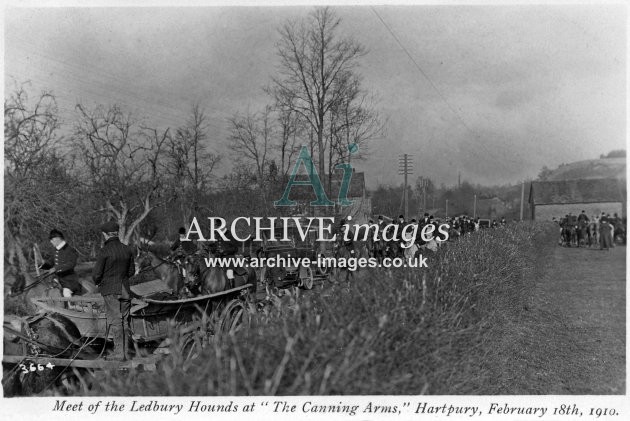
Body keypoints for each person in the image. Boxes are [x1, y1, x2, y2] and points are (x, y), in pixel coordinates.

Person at [92, 221, 136, 361]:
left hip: (110, 290)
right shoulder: (127, 249)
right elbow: (131, 271)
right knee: (124, 321)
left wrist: (99, 282)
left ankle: (119, 353)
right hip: (125, 289)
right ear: (117, 233)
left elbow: (96, 274)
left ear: (105, 235)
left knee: (116, 321)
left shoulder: (104, 251)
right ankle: (125, 352)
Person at [39, 229, 81, 297]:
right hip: (57, 278)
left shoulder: (70, 250)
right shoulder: (55, 250)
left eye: (52, 240)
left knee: (66, 293)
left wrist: (56, 268)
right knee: (47, 290)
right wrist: (42, 265)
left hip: (69, 279)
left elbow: (71, 264)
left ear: (57, 239)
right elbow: (51, 262)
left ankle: (71, 307)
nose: (51, 242)